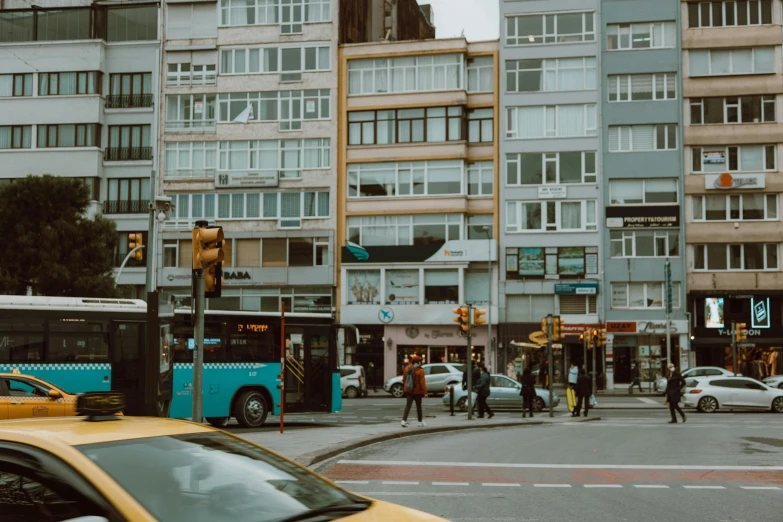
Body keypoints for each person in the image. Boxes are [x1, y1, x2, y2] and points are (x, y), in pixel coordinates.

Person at [401, 355, 427, 427]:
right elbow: (422, 383)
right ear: (418, 362)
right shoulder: (420, 370)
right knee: (419, 407)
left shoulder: (407, 368)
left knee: (408, 406)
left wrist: (408, 387)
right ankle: (420, 422)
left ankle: (403, 421)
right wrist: (425, 392)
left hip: (409, 391)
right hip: (418, 392)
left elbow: (404, 380)